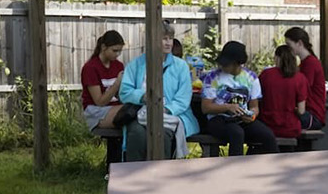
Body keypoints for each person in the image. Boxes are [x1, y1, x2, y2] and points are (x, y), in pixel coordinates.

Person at [118, 22, 198, 159]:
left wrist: (165, 109)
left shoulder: (181, 66)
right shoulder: (136, 65)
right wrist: (142, 97)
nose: (169, 43)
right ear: (152, 40)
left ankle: (163, 177)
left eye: (170, 38)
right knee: (136, 134)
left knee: (162, 136)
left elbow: (183, 98)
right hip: (140, 113)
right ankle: (134, 177)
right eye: (164, 38)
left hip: (171, 114)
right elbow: (124, 92)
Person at [199, 41, 276, 156]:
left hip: (242, 119)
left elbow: (254, 107)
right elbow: (205, 107)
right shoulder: (212, 77)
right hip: (218, 119)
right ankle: (235, 168)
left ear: (236, 63)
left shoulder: (251, 78)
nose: (222, 66)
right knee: (237, 133)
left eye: (226, 64)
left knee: (268, 136)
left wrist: (252, 116)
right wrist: (227, 107)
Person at [258, 45, 309, 147]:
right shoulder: (300, 78)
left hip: (267, 127)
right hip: (290, 128)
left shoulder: (266, 75)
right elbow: (301, 111)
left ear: (277, 58)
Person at [282, 28, 328, 132]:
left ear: (299, 43)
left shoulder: (310, 64)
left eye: (289, 45)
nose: (288, 50)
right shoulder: (305, 63)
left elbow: (301, 91)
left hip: (313, 114)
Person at [79, 30, 127, 131]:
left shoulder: (118, 65)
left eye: (120, 51)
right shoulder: (90, 68)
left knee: (138, 110)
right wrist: (117, 83)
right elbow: (100, 102)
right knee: (131, 112)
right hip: (95, 110)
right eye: (114, 51)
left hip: (115, 107)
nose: (117, 54)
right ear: (103, 47)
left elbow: (121, 95)